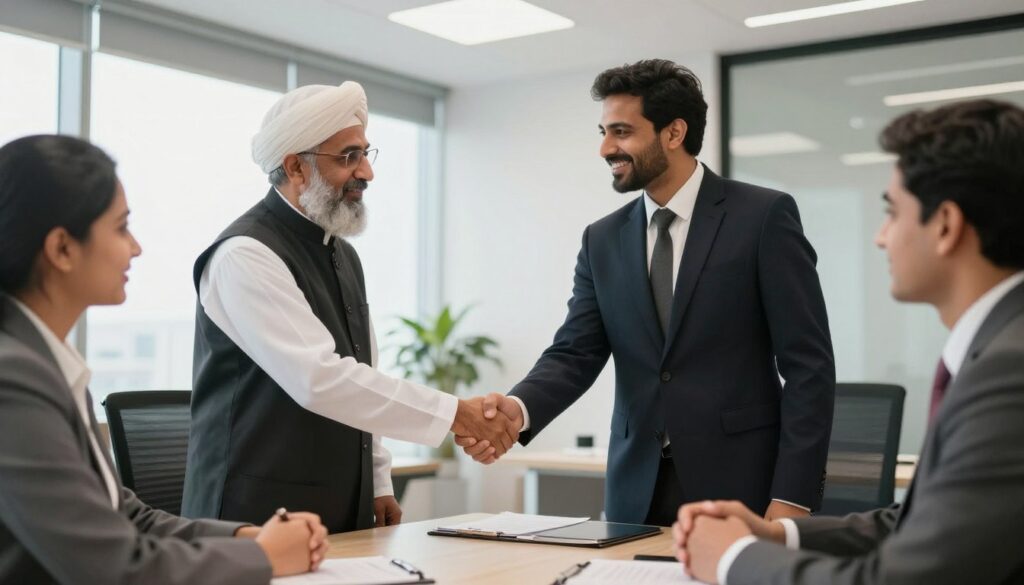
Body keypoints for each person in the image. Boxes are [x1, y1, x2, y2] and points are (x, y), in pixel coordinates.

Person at [458, 59, 836, 526]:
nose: (604, 148)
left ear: (674, 133)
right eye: (603, 131)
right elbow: (575, 353)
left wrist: (793, 495)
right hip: (636, 489)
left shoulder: (762, 217)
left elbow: (809, 367)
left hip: (743, 487)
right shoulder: (602, 239)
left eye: (621, 132)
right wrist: (517, 410)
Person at [674, 99, 1024, 585]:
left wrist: (733, 559)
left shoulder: (1010, 373)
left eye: (892, 213)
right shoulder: (999, 348)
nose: (881, 237)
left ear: (945, 225)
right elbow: (916, 525)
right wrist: (778, 536)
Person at [182, 81, 517, 534]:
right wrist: (456, 412)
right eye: (347, 157)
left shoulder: (341, 253)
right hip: (252, 520)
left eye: (365, 153)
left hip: (336, 511)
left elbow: (362, 369)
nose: (366, 173)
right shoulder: (246, 254)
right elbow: (320, 379)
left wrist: (379, 480)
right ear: (295, 167)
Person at [0, 134, 329, 584]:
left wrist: (249, 538)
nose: (135, 248)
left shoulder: (45, 362)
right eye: (120, 228)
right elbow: (114, 569)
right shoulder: (11, 377)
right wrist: (265, 559)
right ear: (62, 249)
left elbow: (125, 517)